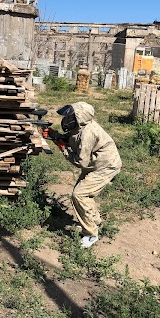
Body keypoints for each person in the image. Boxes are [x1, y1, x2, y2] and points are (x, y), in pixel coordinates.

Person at [47, 102, 122, 248]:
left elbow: (80, 161)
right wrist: (54, 135)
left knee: (80, 195)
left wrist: (62, 148)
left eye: (70, 118)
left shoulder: (88, 133)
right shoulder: (79, 127)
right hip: (96, 164)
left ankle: (90, 234)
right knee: (83, 194)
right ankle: (96, 222)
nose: (66, 121)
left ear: (80, 117)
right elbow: (70, 138)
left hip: (106, 166)